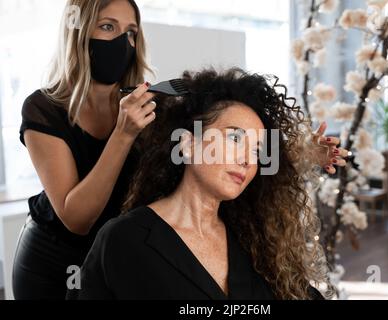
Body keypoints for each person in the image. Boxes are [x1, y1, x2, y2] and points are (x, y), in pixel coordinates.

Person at [69, 68, 349, 300]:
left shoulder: (254, 239)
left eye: (256, 151)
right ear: (188, 144)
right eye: (235, 138)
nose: (247, 161)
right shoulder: (125, 239)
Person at [13, 0, 157, 300]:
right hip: (53, 265)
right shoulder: (43, 109)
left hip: (116, 259)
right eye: (107, 27)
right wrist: (123, 133)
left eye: (130, 32)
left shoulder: (145, 105)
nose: (123, 42)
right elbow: (77, 219)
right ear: (77, 33)